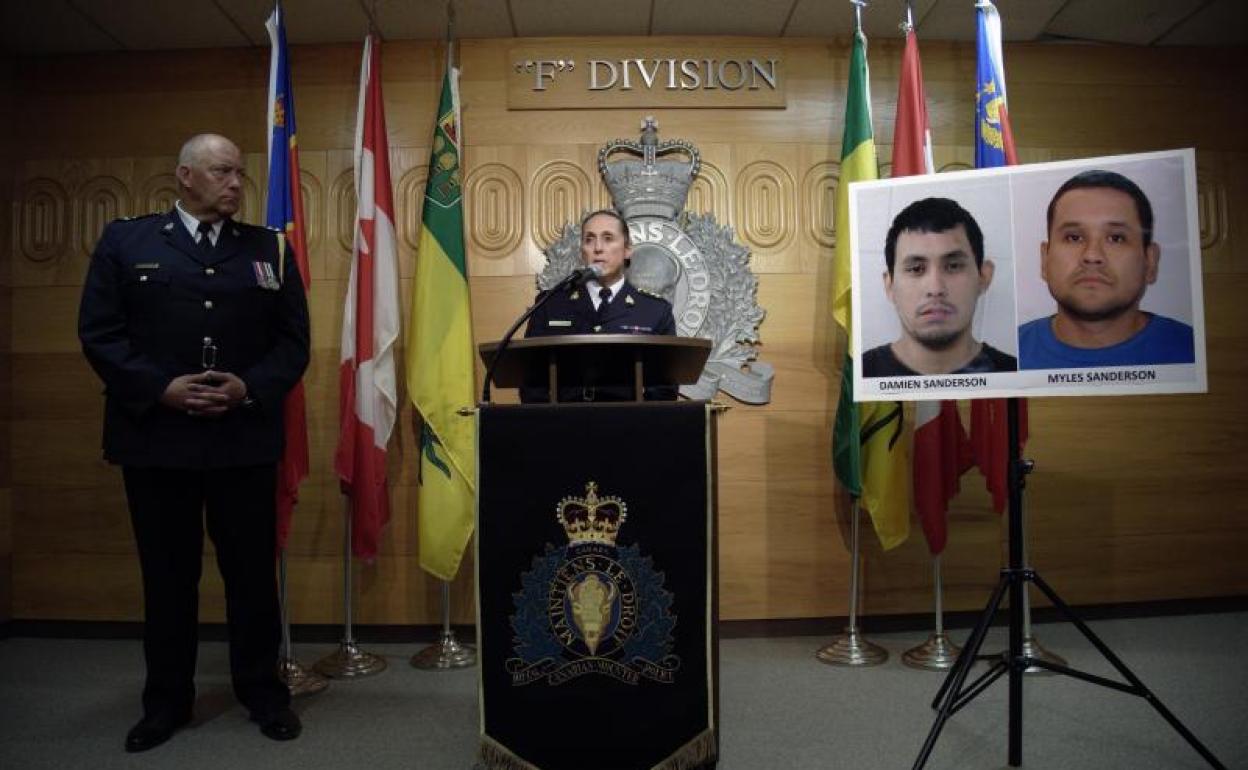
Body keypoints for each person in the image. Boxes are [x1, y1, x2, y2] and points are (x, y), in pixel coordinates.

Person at [77, 133, 309, 752]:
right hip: (158, 440)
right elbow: (100, 333)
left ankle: (264, 695)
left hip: (242, 440)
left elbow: (293, 343)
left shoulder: (268, 248)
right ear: (185, 175)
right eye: (221, 172)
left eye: (239, 174)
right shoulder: (128, 242)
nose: (235, 183)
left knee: (252, 578)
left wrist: (248, 387)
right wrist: (161, 388)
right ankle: (166, 704)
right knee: (168, 577)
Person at [1018, 169, 1195, 369]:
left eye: (1116, 238)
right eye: (1074, 238)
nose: (1092, 256)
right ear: (1045, 258)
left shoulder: (1196, 352)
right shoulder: (1009, 358)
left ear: (1150, 261)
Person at [522, 209, 677, 401]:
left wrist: (639, 417)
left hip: (629, 417)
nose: (597, 248)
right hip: (564, 417)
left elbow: (664, 389)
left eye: (608, 238)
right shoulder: (551, 304)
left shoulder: (654, 310)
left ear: (627, 250)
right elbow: (531, 381)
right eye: (589, 240)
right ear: (582, 251)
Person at [863, 197, 1017, 377]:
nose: (935, 288)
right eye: (916, 269)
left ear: (983, 276)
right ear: (890, 286)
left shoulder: (1017, 375)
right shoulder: (860, 376)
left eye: (953, 266)